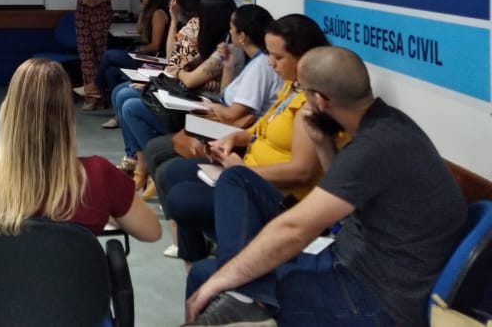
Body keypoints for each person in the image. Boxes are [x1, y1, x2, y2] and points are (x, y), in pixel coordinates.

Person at [183, 46, 468, 327]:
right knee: (238, 179)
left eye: (303, 92)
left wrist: (222, 280)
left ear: (320, 100)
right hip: (353, 260)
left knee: (209, 279)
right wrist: (322, 143)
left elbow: (295, 229)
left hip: (376, 298)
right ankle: (244, 295)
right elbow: (346, 198)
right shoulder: (388, 124)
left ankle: (242, 294)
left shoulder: (376, 146)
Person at [0, 58, 161, 322]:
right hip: (75, 315)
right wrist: (108, 208)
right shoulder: (99, 176)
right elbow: (152, 232)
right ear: (67, 114)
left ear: (9, 109)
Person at [155, 14, 330, 264]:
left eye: (278, 57)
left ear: (305, 56)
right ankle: (194, 260)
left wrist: (242, 172)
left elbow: (302, 172)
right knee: (173, 173)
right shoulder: (291, 87)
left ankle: (233, 258)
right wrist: (234, 138)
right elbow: (261, 129)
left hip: (276, 193)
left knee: (182, 198)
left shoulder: (311, 106)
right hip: (248, 171)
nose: (271, 63)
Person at [115, 0, 269, 195]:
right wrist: (227, 69)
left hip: (207, 111)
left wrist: (183, 75)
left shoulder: (250, 61)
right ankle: (140, 163)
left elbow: (227, 108)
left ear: (242, 36)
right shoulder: (225, 49)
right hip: (202, 104)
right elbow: (222, 94)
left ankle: (148, 168)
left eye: (233, 28)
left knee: (131, 105)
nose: (230, 32)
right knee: (126, 94)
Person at [108, 0, 204, 182]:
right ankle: (134, 156)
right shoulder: (185, 24)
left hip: (179, 91)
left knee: (126, 98)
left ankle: (147, 162)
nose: (172, 1)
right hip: (171, 81)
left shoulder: (195, 28)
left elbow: (172, 62)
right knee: (119, 91)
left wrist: (155, 82)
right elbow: (173, 60)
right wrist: (173, 19)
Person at [96, 0, 171, 128]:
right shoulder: (151, 11)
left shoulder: (159, 13)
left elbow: (155, 45)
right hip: (146, 56)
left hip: (155, 60)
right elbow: (140, 31)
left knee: (110, 55)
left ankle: (94, 86)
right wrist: (143, 10)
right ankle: (118, 115)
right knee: (111, 71)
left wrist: (138, 51)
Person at [71, 0, 123, 110]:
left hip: (101, 10)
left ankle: (104, 93)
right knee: (86, 54)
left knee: (102, 53)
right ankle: (92, 96)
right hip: (83, 11)